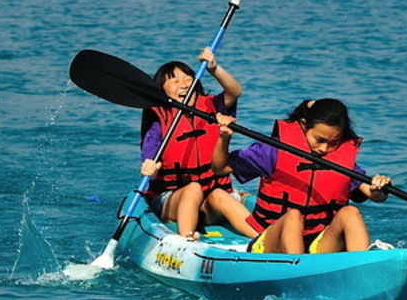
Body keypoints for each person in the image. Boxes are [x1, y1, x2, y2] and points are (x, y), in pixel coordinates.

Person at [212, 98, 392, 254]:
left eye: (334, 143)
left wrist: (379, 188)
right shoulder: (273, 151)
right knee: (293, 216)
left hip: (318, 242)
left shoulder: (339, 161)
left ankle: (360, 267)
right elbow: (221, 168)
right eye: (319, 140)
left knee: (350, 212)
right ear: (304, 125)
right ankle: (296, 268)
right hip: (272, 238)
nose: (324, 149)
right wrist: (224, 138)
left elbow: (372, 194)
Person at [140, 47, 255, 240]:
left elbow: (235, 91)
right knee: (193, 188)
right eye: (175, 81)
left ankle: (264, 241)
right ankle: (187, 239)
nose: (184, 84)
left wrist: (214, 68)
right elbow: (150, 154)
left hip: (209, 199)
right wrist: (150, 166)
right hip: (171, 200)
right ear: (162, 90)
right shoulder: (158, 116)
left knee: (221, 196)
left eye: (188, 79)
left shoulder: (213, 106)